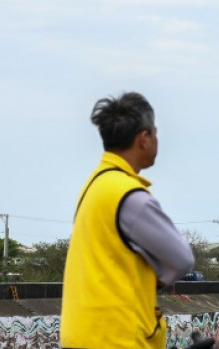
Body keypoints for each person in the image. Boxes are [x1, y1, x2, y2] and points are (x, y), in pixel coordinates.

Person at [61, 92, 195, 349]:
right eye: (155, 133)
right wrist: (155, 277)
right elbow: (182, 259)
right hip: (117, 339)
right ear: (144, 138)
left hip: (82, 336)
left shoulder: (94, 185)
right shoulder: (130, 197)